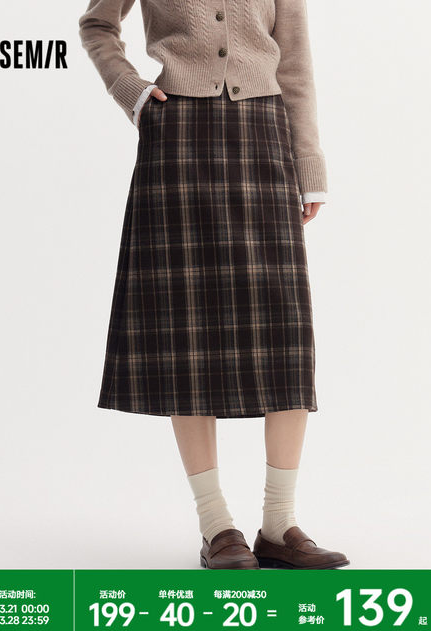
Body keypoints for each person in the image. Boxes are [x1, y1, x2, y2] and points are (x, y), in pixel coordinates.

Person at [79, 0, 349, 570]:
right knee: (188, 335)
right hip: (177, 136)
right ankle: (216, 524)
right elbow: (97, 24)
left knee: (285, 335)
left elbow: (295, 61)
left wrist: (310, 164)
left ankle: (279, 523)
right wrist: (131, 91)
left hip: (264, 134)